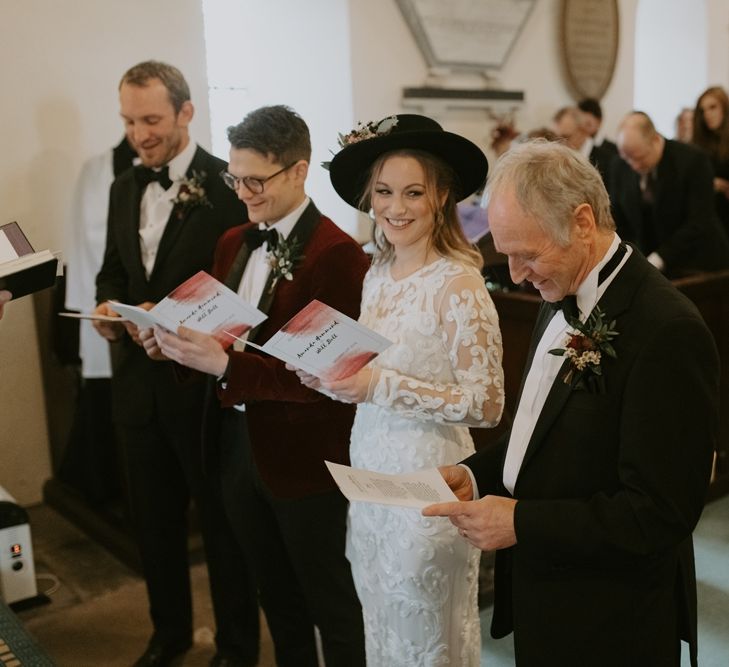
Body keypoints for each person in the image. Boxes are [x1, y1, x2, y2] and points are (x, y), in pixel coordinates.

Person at [423, 139, 719, 667]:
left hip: (612, 618)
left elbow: (659, 513)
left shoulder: (667, 330)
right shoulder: (558, 290)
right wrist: (476, 475)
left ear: (583, 222)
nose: (514, 274)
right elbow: (540, 431)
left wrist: (521, 523)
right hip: (546, 600)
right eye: (506, 252)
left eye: (527, 254)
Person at [147, 105, 368, 667]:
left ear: (299, 171)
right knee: (276, 597)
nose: (242, 192)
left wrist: (225, 368)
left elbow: (324, 378)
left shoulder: (338, 255)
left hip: (304, 456)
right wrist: (169, 344)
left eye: (255, 180)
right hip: (233, 445)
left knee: (331, 603)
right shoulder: (233, 242)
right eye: (234, 177)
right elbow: (216, 338)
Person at [294, 114, 505, 665]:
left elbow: (487, 405)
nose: (397, 207)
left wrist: (379, 386)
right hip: (369, 477)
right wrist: (328, 374)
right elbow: (369, 370)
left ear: (441, 196)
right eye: (385, 192)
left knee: (423, 634)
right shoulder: (376, 272)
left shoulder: (459, 283)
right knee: (380, 625)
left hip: (431, 480)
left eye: (414, 192)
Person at [93, 61, 259, 667]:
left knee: (221, 525)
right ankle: (169, 636)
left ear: (187, 113)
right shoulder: (121, 186)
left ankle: (238, 646)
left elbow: (240, 284)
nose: (140, 133)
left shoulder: (228, 184)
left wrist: (168, 317)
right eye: (130, 121)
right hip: (137, 386)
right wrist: (110, 308)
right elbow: (113, 270)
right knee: (154, 525)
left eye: (152, 119)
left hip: (200, 387)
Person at [58, 136, 136, 503]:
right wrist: (82, 308)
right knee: (105, 399)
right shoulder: (95, 171)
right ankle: (113, 491)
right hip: (102, 298)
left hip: (148, 298)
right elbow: (79, 240)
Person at [611, 110, 729, 277]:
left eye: (639, 158)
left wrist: (660, 257)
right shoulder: (620, 165)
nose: (633, 166)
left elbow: (700, 220)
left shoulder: (693, 161)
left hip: (698, 262)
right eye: (627, 159)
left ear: (655, 140)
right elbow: (620, 218)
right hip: (650, 263)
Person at [692, 86, 729, 239]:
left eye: (712, 107)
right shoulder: (698, 145)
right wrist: (712, 183)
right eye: (703, 110)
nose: (707, 114)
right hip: (710, 217)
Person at [553, 106, 615, 184]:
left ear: (583, 131)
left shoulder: (609, 162)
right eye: (556, 139)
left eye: (566, 137)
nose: (560, 144)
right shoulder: (558, 160)